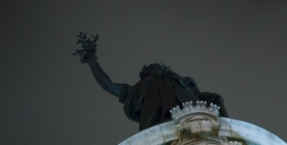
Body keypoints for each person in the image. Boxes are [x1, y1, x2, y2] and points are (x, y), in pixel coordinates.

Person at [75, 33, 228, 131]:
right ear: (145, 75)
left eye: (157, 66)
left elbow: (199, 95)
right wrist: (92, 61)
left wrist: (214, 99)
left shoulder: (182, 82)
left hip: (195, 115)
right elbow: (108, 85)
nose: (154, 67)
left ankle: (229, 136)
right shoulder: (140, 88)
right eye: (150, 68)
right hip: (161, 124)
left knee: (216, 99)